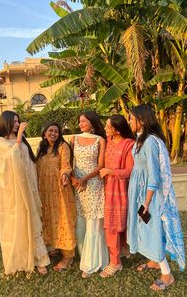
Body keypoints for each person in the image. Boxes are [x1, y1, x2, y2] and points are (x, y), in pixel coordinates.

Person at [127, 104, 185, 291]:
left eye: (131, 118)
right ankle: (153, 260)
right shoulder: (140, 140)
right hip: (141, 192)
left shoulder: (150, 142)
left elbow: (154, 175)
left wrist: (146, 202)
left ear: (142, 120)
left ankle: (167, 275)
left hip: (149, 195)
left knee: (152, 231)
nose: (129, 122)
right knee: (146, 229)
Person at [0, 111, 50, 276]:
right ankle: (21, 259)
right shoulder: (1, 141)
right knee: (18, 223)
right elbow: (13, 155)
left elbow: (29, 161)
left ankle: (40, 260)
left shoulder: (21, 140)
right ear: (6, 123)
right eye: (14, 122)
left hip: (29, 188)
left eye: (18, 121)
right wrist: (19, 135)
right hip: (14, 192)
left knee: (33, 221)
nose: (17, 124)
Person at [71, 111, 109, 278]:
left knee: (94, 223)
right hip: (78, 186)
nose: (81, 124)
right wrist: (73, 179)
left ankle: (92, 263)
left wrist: (85, 178)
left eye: (84, 121)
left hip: (93, 184)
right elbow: (69, 162)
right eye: (80, 121)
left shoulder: (100, 140)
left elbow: (100, 165)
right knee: (81, 222)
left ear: (92, 122)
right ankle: (81, 254)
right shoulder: (74, 139)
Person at [36, 122, 76, 271]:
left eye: (56, 132)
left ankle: (68, 256)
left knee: (63, 219)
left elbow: (66, 165)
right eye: (50, 131)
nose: (53, 134)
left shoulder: (63, 147)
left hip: (60, 189)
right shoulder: (41, 148)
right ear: (44, 133)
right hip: (44, 191)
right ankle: (54, 247)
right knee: (49, 219)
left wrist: (65, 174)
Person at [99, 115, 135, 277]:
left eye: (108, 126)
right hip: (105, 189)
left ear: (118, 130)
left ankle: (115, 263)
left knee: (114, 224)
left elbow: (129, 171)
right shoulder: (107, 141)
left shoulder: (129, 145)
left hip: (120, 190)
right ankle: (117, 256)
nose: (105, 129)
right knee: (111, 225)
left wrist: (110, 171)